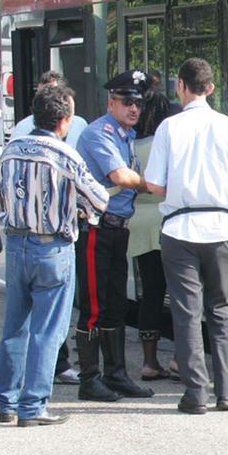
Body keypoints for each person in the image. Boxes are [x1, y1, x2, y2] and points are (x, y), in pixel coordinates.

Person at [143, 58, 228, 415]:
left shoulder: (168, 128)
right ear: (209, 88)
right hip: (223, 227)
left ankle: (196, 394)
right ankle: (227, 392)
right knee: (222, 309)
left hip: (179, 229)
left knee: (187, 312)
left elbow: (155, 185)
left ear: (181, 86)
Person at [0, 81, 110, 426]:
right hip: (52, 248)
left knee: (15, 326)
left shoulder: (10, 150)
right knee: (47, 330)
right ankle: (33, 406)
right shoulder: (65, 155)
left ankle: (6, 401)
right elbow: (99, 199)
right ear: (64, 121)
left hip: (16, 246)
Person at [73, 70, 156, 402]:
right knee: (94, 305)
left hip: (117, 228)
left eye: (138, 102)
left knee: (115, 304)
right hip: (96, 227)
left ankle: (116, 374)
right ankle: (89, 378)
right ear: (111, 102)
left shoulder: (125, 135)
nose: (133, 108)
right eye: (126, 101)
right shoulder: (100, 133)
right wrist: (153, 184)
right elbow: (121, 176)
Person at [130, 86, 180, 380]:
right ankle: (178, 357)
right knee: (178, 292)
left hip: (139, 221)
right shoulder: (165, 146)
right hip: (167, 220)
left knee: (150, 292)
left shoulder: (132, 147)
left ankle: (149, 361)